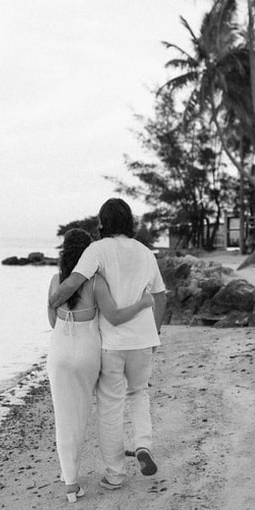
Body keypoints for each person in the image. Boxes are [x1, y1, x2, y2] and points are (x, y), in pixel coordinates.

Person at [49, 198, 167, 490]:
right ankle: (142, 445)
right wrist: (156, 333)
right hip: (142, 340)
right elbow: (161, 296)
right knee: (139, 392)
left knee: (110, 407)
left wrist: (53, 301)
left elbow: (74, 281)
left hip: (111, 344)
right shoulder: (146, 253)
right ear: (129, 222)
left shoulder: (97, 249)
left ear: (102, 223)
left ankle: (115, 474)